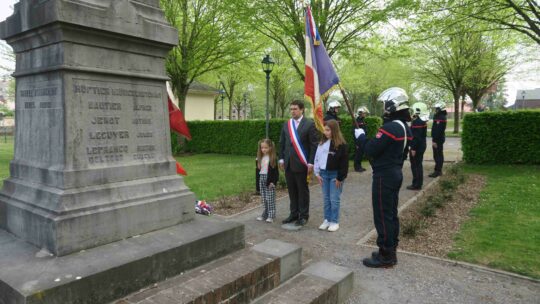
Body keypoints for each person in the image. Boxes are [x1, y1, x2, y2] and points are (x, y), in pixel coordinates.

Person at [354, 87, 412, 268]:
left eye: (385, 104)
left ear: (392, 105)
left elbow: (371, 149)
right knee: (391, 214)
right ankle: (390, 249)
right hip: (394, 172)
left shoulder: (391, 127)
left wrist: (361, 137)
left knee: (382, 215)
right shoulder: (404, 126)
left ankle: (386, 255)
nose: (384, 108)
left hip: (384, 176)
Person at [279, 100, 319, 226]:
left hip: (302, 163)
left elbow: (314, 145)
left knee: (302, 190)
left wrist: (311, 162)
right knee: (291, 190)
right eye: (291, 109)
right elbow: (282, 143)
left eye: (295, 109)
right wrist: (281, 158)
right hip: (289, 163)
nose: (292, 111)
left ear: (302, 110)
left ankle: (304, 215)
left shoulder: (309, 124)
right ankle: (294, 213)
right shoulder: (287, 124)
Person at [314, 120, 349, 232]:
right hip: (323, 174)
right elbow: (317, 158)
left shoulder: (341, 145)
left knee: (334, 199)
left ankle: (334, 221)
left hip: (335, 175)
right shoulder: (321, 143)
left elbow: (344, 163)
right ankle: (327, 219)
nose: (325, 132)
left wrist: (340, 177)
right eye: (324, 129)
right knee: (326, 199)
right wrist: (317, 173)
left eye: (328, 130)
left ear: (334, 130)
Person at [256, 139, 279, 223]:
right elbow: (258, 171)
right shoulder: (260, 158)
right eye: (262, 148)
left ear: (270, 147)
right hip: (262, 178)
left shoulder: (272, 158)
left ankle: (271, 215)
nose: (264, 149)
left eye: (266, 147)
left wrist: (273, 182)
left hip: (270, 181)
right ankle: (265, 214)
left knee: (270, 198)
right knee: (264, 198)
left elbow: (276, 173)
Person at [407, 102, 429, 190]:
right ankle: (418, 183)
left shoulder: (417, 122)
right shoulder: (422, 121)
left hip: (417, 147)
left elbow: (416, 137)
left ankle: (416, 184)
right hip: (422, 145)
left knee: (415, 165)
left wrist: (413, 148)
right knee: (418, 164)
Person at [429, 101, 447, 178]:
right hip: (438, 138)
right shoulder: (439, 116)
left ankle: (438, 171)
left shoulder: (440, 117)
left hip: (438, 139)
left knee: (438, 155)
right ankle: (437, 170)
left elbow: (438, 130)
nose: (436, 110)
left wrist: (435, 140)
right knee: (437, 154)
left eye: (437, 108)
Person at [354, 106, 369, 172]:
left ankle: (359, 166)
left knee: (361, 154)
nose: (365, 114)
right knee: (358, 154)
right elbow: (354, 132)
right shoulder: (356, 121)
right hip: (358, 140)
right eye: (364, 113)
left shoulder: (362, 120)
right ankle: (357, 167)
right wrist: (356, 143)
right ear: (360, 113)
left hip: (363, 140)